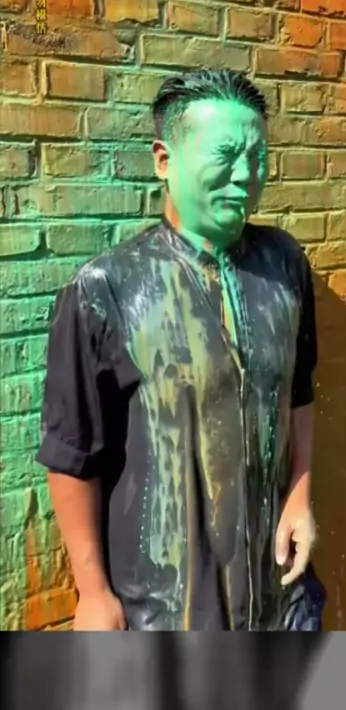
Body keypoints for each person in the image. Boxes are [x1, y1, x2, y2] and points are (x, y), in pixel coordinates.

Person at [36, 67, 325, 631]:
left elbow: (299, 391)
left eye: (258, 157)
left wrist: (300, 493)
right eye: (225, 155)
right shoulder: (107, 288)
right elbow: (71, 452)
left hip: (283, 594)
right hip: (167, 608)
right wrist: (93, 592)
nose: (246, 176)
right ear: (164, 160)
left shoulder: (284, 264)